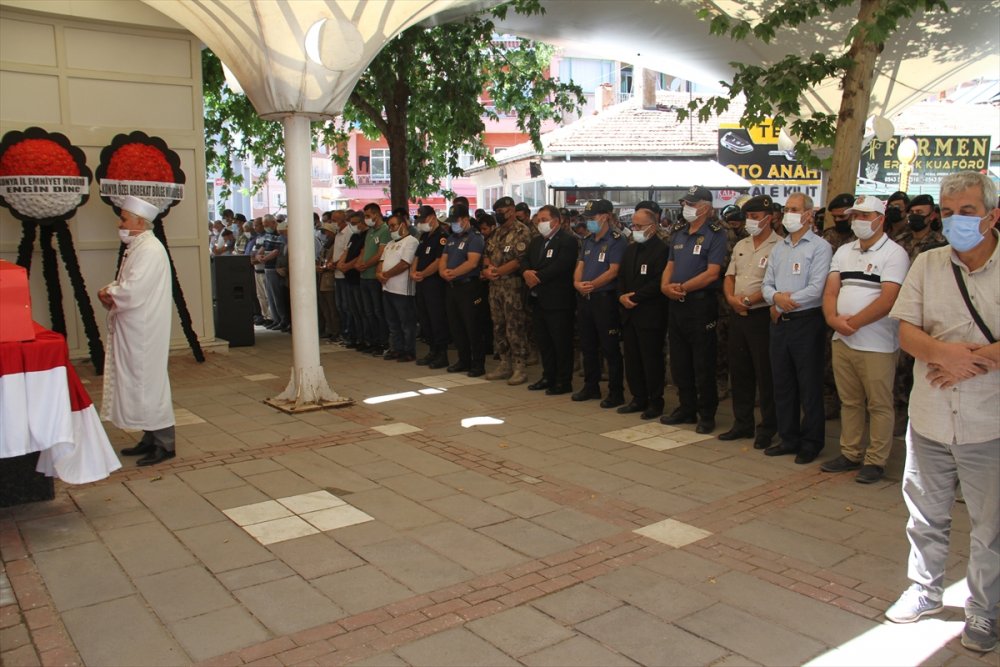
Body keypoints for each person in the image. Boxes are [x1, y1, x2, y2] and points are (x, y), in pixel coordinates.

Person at [884, 171, 999, 653]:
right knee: (925, 514)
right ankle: (925, 590)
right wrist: (943, 354)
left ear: (992, 215)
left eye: (967, 212)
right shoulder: (928, 263)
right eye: (949, 213)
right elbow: (906, 331)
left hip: (989, 420)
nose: (956, 221)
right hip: (930, 415)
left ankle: (984, 611)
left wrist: (967, 360)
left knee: (990, 526)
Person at [820, 195, 909, 484]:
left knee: (879, 404)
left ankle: (876, 460)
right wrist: (834, 320)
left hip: (877, 343)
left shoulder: (894, 254)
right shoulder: (844, 251)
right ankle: (850, 452)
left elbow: (888, 298)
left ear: (880, 219)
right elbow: (831, 290)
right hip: (843, 340)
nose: (857, 220)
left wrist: (853, 323)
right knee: (850, 401)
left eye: (863, 215)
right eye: (855, 215)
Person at [99, 196, 175, 467]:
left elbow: (133, 291)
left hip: (145, 331)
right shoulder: (139, 246)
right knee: (139, 384)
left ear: (140, 222)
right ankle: (149, 437)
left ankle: (165, 444)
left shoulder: (150, 249)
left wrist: (108, 292)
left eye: (124, 219)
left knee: (149, 385)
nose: (120, 224)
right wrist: (112, 289)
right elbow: (126, 283)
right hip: (135, 328)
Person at [761, 192, 833, 464]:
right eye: (787, 208)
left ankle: (811, 441)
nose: (788, 213)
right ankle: (788, 437)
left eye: (794, 209)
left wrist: (784, 301)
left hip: (806, 322)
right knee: (783, 383)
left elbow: (816, 289)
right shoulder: (779, 247)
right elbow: (767, 285)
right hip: (780, 323)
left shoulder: (819, 247)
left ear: (808, 214)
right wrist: (776, 299)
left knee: (809, 385)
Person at [660, 185, 726, 433]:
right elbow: (670, 264)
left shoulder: (716, 233)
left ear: (705, 208)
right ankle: (686, 407)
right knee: (679, 361)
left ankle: (706, 413)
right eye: (685, 203)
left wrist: (683, 287)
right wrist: (665, 286)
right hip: (676, 303)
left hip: (700, 304)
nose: (686, 208)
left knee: (702, 362)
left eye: (691, 204)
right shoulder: (678, 232)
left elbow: (712, 273)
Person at [719, 195, 779, 447]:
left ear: (770, 218)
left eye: (755, 217)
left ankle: (767, 427)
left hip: (761, 314)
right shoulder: (742, 243)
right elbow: (729, 276)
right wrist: (732, 300)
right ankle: (742, 423)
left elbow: (774, 284)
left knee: (764, 373)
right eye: (749, 217)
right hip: (737, 313)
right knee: (740, 370)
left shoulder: (780, 246)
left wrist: (748, 301)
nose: (751, 221)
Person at [891, 194, 948, 435]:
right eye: (912, 212)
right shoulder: (898, 241)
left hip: (933, 312)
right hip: (901, 311)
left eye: (920, 213)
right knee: (900, 367)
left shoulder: (941, 243)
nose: (915, 217)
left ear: (933, 215)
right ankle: (901, 413)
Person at [573, 199, 627, 407]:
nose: (589, 222)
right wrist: (577, 283)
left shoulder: (616, 239)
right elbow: (580, 264)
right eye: (586, 218)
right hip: (585, 298)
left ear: (605, 216)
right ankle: (591, 386)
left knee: (610, 347)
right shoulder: (588, 240)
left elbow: (614, 270)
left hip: (604, 298)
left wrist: (592, 285)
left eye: (592, 217)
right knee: (587, 345)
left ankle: (616, 392)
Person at [617, 208, 669, 419]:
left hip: (650, 312)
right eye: (633, 225)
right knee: (632, 358)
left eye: (639, 226)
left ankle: (655, 401)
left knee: (651, 359)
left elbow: (658, 282)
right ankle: (638, 397)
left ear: (652, 227)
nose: (635, 229)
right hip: (629, 313)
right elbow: (621, 277)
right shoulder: (630, 250)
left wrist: (635, 297)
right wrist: (622, 296)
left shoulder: (662, 250)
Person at [523, 205, 577, 395]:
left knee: (560, 342)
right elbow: (525, 260)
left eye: (543, 219)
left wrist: (537, 277)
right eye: (538, 219)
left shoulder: (567, 241)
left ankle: (564, 381)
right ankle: (548, 376)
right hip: (538, 300)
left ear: (555, 221)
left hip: (558, 301)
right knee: (544, 342)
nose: (539, 223)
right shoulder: (537, 242)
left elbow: (561, 265)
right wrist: (526, 272)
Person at [483, 196, 533, 385]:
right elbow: (487, 254)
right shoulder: (496, 233)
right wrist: (488, 270)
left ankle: (520, 367)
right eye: (496, 213)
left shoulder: (522, 231)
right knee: (498, 325)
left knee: (515, 326)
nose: (498, 216)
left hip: (513, 287)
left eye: (501, 212)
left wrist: (497, 272)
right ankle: (504, 363)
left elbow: (519, 259)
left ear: (511, 210)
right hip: (495, 287)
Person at [439, 204, 486, 376]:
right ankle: (463, 360)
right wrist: (443, 272)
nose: (453, 224)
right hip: (452, 288)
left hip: (468, 287)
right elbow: (443, 259)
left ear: (466, 219)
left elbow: (472, 262)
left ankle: (478, 364)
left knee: (472, 326)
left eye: (456, 221)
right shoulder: (451, 238)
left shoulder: (475, 238)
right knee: (456, 326)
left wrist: (454, 273)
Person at [411, 205, 450, 368]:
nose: (421, 223)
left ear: (433, 217)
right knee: (425, 319)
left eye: (423, 219)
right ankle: (432, 350)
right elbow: (417, 257)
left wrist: (423, 274)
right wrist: (414, 272)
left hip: (434, 284)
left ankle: (442, 354)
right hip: (421, 283)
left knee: (437, 319)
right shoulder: (424, 236)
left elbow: (439, 261)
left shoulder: (442, 236)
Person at [378, 215, 419, 361]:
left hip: (402, 290)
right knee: (393, 322)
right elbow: (381, 261)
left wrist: (386, 274)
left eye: (394, 225)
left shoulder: (411, 241)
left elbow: (404, 264)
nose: (391, 229)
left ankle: (409, 351)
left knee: (406, 323)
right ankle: (397, 348)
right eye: (389, 226)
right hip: (387, 288)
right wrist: (379, 274)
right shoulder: (389, 244)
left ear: (403, 225)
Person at [357, 203, 390, 355]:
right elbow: (364, 251)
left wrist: (366, 264)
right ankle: (373, 340)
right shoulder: (370, 231)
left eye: (368, 216)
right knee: (368, 311)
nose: (367, 219)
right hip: (364, 277)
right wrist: (360, 263)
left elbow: (380, 253)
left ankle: (383, 342)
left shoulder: (384, 230)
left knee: (378, 311)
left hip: (374, 277)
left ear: (376, 214)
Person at [259, 215, 289, 331]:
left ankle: (283, 320)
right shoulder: (268, 234)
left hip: (275, 268)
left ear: (273, 223)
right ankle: (276, 319)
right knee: (270, 297)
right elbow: (263, 246)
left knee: (277, 297)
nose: (266, 227)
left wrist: (265, 258)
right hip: (266, 267)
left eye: (267, 225)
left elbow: (277, 251)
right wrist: (259, 255)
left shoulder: (280, 235)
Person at [317, 221, 340, 342]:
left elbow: (333, 261)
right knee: (325, 307)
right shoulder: (326, 244)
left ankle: (336, 331)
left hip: (329, 278)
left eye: (326, 231)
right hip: (322, 278)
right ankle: (329, 329)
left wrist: (324, 267)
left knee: (332, 307)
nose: (324, 234)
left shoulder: (335, 244)